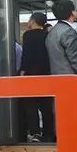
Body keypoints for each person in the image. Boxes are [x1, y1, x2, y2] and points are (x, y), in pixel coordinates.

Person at [20, 13, 52, 142]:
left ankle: (35, 132)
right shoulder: (47, 35)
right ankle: (48, 133)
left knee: (30, 104)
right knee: (46, 105)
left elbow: (26, 55)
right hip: (46, 73)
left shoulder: (28, 35)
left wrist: (23, 71)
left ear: (32, 21)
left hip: (32, 73)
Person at [46, 0, 77, 75]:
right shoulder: (68, 32)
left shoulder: (52, 31)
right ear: (72, 13)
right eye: (74, 10)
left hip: (57, 76)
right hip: (72, 77)